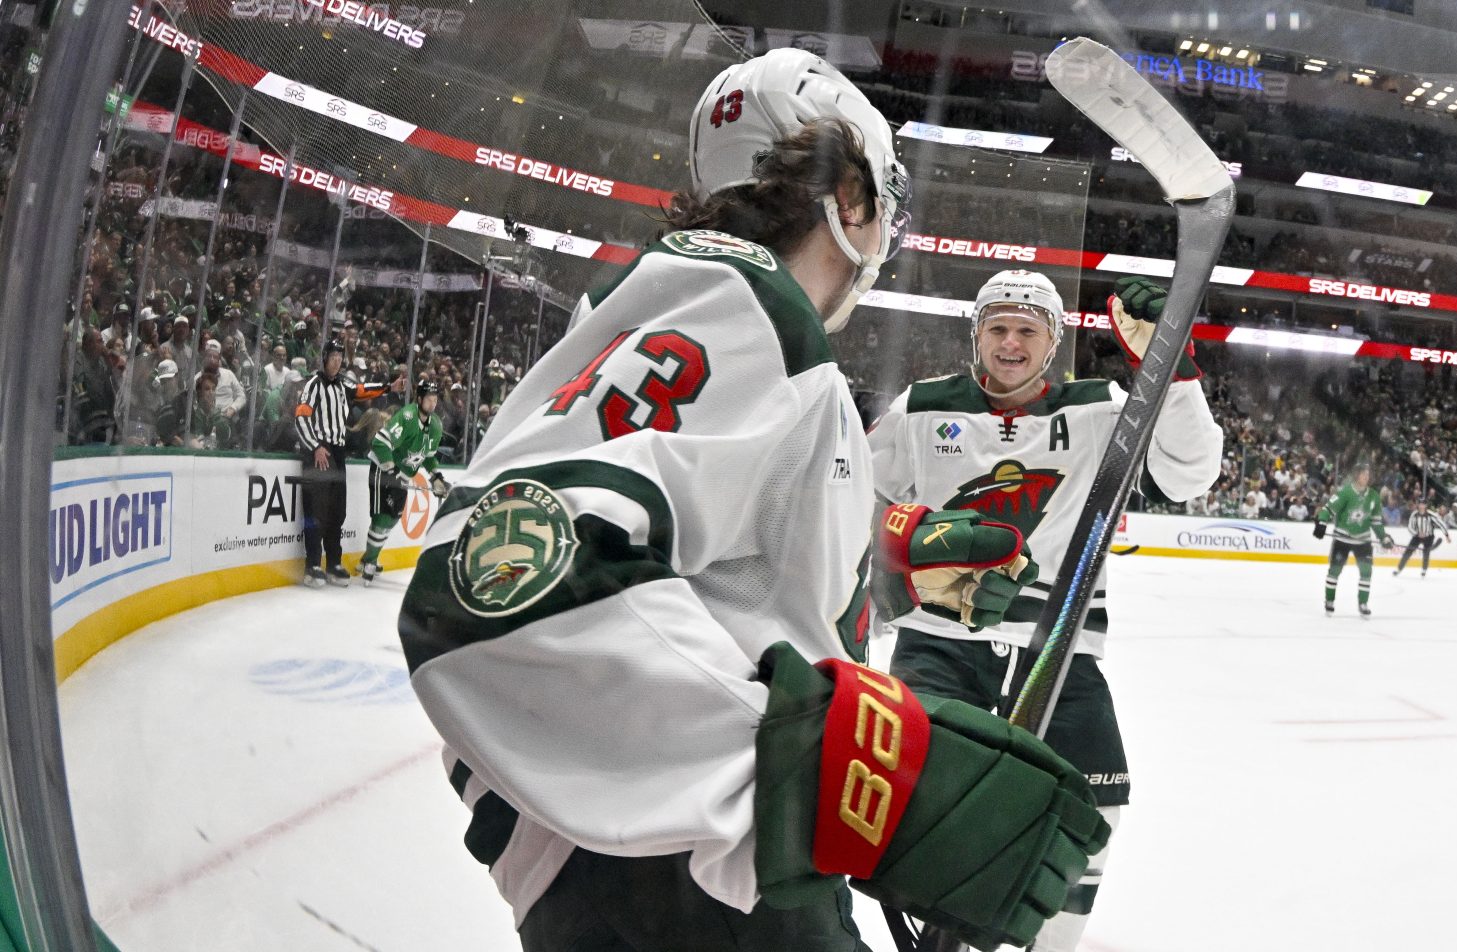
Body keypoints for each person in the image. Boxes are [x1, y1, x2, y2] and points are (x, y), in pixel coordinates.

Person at [397, 49, 1105, 952]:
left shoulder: (683, 302)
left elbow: (713, 542)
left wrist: (901, 554)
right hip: (686, 870)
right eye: (883, 198)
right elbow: (497, 582)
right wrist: (831, 776)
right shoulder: (742, 305)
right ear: (850, 202)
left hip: (663, 854)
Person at [866, 270, 1222, 952]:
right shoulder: (923, 406)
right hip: (942, 638)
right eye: (997, 326)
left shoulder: (1099, 407)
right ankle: (935, 931)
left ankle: (1046, 942)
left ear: (1053, 340)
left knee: (1096, 804)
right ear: (976, 336)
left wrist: (1173, 373)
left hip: (1058, 646)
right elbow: (857, 502)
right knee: (917, 797)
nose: (1010, 341)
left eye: (1027, 329)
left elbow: (1189, 474)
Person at [294, 339, 404, 587]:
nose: (336, 361)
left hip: (338, 451)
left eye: (339, 357)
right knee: (316, 510)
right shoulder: (313, 386)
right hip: (319, 452)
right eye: (332, 356)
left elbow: (363, 390)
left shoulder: (343, 384)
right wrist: (315, 447)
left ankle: (333, 562)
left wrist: (389, 387)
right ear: (323, 358)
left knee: (336, 510)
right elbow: (300, 419)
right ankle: (312, 565)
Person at [357, 380, 450, 583]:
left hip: (402, 475)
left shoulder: (435, 425)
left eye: (435, 400)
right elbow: (380, 442)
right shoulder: (407, 417)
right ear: (419, 399)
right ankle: (370, 561)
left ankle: (366, 559)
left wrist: (436, 477)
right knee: (382, 517)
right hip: (384, 469)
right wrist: (391, 467)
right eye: (429, 399)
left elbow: (428, 456)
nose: (432, 404)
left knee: (392, 518)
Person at [1314, 462, 1397, 618]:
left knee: (1367, 571)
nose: (1366, 477)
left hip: (1363, 540)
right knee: (1334, 571)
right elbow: (1328, 509)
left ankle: (1363, 603)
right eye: (1363, 474)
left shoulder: (1373, 496)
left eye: (1368, 474)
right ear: (1356, 475)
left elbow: (1376, 522)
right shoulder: (1345, 492)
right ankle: (1329, 601)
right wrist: (1321, 523)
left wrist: (1383, 537)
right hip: (1342, 538)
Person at [1393, 499, 1451, 577]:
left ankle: (1424, 569)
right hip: (1417, 536)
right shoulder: (1414, 514)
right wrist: (1416, 533)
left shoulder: (1431, 514)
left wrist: (1447, 535)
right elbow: (1410, 526)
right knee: (1408, 552)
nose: (1421, 506)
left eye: (1423, 504)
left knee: (1426, 553)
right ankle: (1399, 569)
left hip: (1429, 537)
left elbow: (1441, 524)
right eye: (1420, 504)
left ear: (1426, 505)